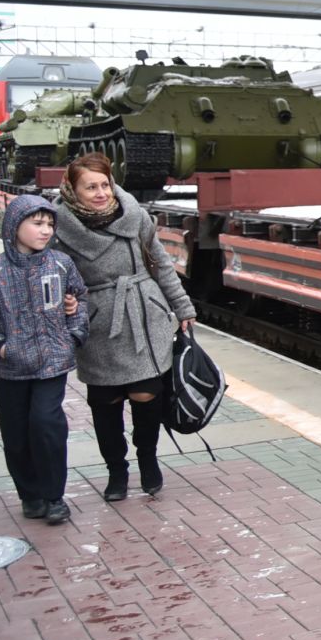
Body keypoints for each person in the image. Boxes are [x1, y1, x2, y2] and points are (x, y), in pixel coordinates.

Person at [49, 153, 197, 502]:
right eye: (91, 187)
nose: (101, 193)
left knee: (148, 395)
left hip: (145, 315)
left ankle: (148, 459)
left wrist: (182, 307)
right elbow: (52, 275)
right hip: (98, 319)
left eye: (105, 185)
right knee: (106, 402)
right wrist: (67, 304)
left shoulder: (136, 216)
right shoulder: (59, 228)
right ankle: (116, 470)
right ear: (72, 189)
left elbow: (160, 264)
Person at [0, 194, 89, 526]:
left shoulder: (60, 263)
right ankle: (30, 494)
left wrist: (73, 334)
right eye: (37, 223)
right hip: (11, 366)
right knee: (15, 434)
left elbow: (79, 298)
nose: (45, 231)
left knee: (46, 424)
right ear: (15, 226)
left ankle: (54, 496)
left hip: (52, 361)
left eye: (49, 225)